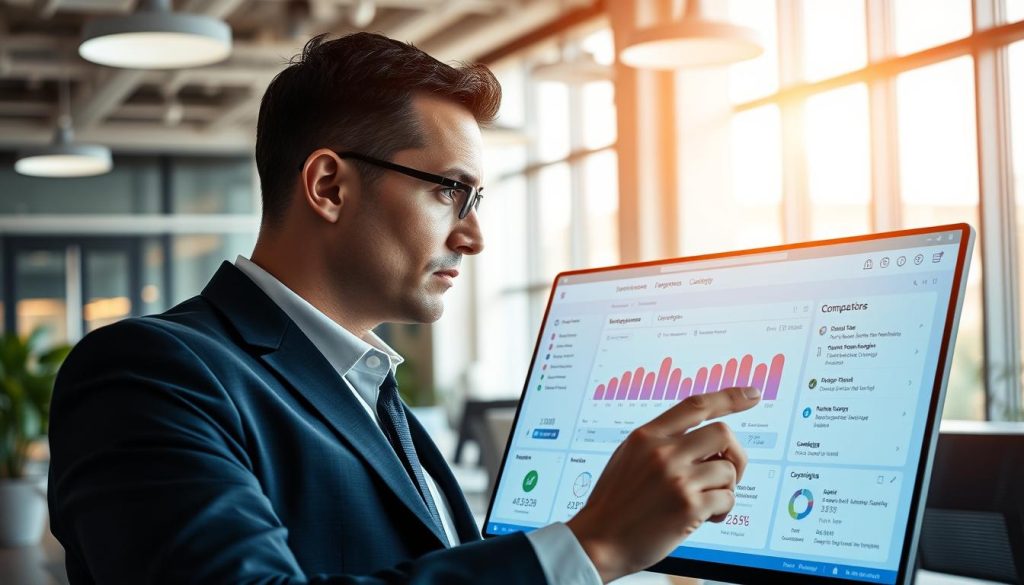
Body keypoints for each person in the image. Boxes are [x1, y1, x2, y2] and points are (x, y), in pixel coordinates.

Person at [47, 32, 762, 585]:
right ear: (328, 186)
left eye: (477, 199)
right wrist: (590, 545)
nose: (474, 235)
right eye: (449, 188)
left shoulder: (370, 389)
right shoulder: (150, 373)